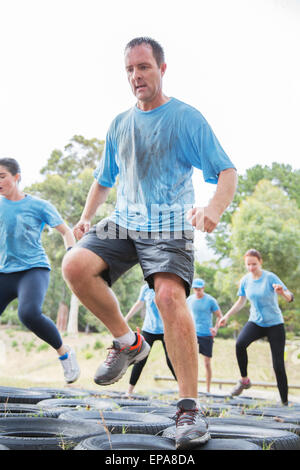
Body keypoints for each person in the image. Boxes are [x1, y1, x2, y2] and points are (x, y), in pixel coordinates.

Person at [62, 36, 237, 449]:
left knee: (168, 297)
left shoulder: (185, 118)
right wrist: (87, 217)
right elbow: (104, 180)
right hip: (124, 221)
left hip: (170, 223)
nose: (136, 75)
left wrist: (213, 207)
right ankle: (129, 342)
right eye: (130, 69)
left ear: (161, 68)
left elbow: (226, 172)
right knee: (74, 265)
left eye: (144, 67)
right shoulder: (119, 124)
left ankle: (190, 411)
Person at [0, 158, 80, 384]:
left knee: (28, 313)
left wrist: (71, 253)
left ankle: (64, 353)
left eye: (2, 176)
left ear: (17, 177)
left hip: (33, 270)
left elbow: (66, 232)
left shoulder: (39, 205)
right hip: (5, 271)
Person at [218, 249, 294, 405]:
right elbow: (241, 302)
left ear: (260, 262)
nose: (251, 267)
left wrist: (282, 293)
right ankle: (244, 381)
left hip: (274, 324)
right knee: (240, 344)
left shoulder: (270, 277)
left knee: (278, 364)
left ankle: (284, 402)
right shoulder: (246, 280)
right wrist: (226, 316)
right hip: (256, 322)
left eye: (254, 264)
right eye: (248, 264)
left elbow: (290, 297)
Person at [125, 284, 177, 396]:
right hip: (149, 329)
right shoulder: (145, 288)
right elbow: (139, 303)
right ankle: (129, 391)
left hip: (165, 329)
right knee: (140, 359)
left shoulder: (166, 286)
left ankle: (185, 392)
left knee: (171, 361)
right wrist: (126, 318)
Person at [187, 278, 222, 393]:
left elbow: (219, 316)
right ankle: (192, 389)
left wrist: (215, 328)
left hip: (206, 334)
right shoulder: (189, 300)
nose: (197, 291)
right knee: (191, 362)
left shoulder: (211, 300)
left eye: (199, 289)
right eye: (195, 289)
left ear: (203, 288)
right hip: (193, 334)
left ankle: (207, 389)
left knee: (206, 363)